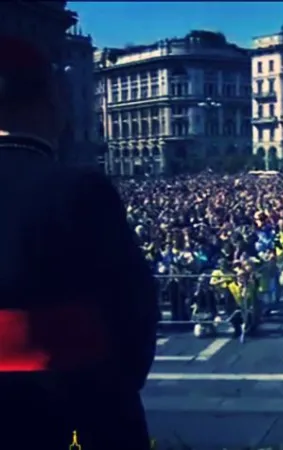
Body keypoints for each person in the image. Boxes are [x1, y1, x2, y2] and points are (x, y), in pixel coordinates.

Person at [0, 36, 159, 449]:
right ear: (47, 103)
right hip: (63, 401)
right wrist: (112, 390)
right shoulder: (77, 189)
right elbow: (133, 310)